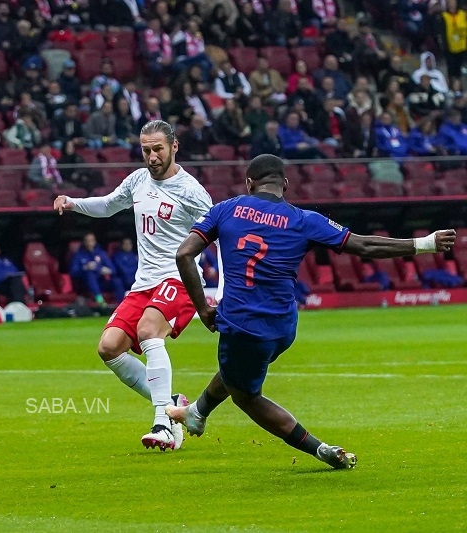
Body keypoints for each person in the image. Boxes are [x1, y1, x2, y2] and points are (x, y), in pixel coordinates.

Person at [169, 153, 457, 469]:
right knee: (241, 371)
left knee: (246, 395)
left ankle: (321, 450)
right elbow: (364, 247)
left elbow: (184, 255)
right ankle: (197, 412)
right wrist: (424, 243)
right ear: (286, 185)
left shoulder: (225, 209)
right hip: (284, 327)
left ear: (249, 183)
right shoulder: (304, 220)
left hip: (242, 325)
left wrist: (204, 310)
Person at [53, 120, 214, 451]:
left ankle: (163, 422)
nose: (152, 156)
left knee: (148, 330)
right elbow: (110, 204)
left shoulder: (192, 191)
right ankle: (171, 400)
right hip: (144, 283)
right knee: (109, 347)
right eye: (146, 150)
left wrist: (223, 287)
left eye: (158, 149)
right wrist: (73, 202)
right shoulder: (138, 179)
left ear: (174, 147)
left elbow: (220, 232)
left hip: (178, 278)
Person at [69, 232, 126, 307]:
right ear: (84, 242)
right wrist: (84, 267)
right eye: (87, 241)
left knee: (117, 281)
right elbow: (73, 272)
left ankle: (121, 305)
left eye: (91, 240)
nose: (90, 243)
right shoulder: (79, 254)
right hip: (85, 285)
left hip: (100, 282)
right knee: (90, 274)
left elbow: (113, 270)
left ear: (95, 241)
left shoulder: (101, 253)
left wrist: (106, 270)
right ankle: (101, 302)